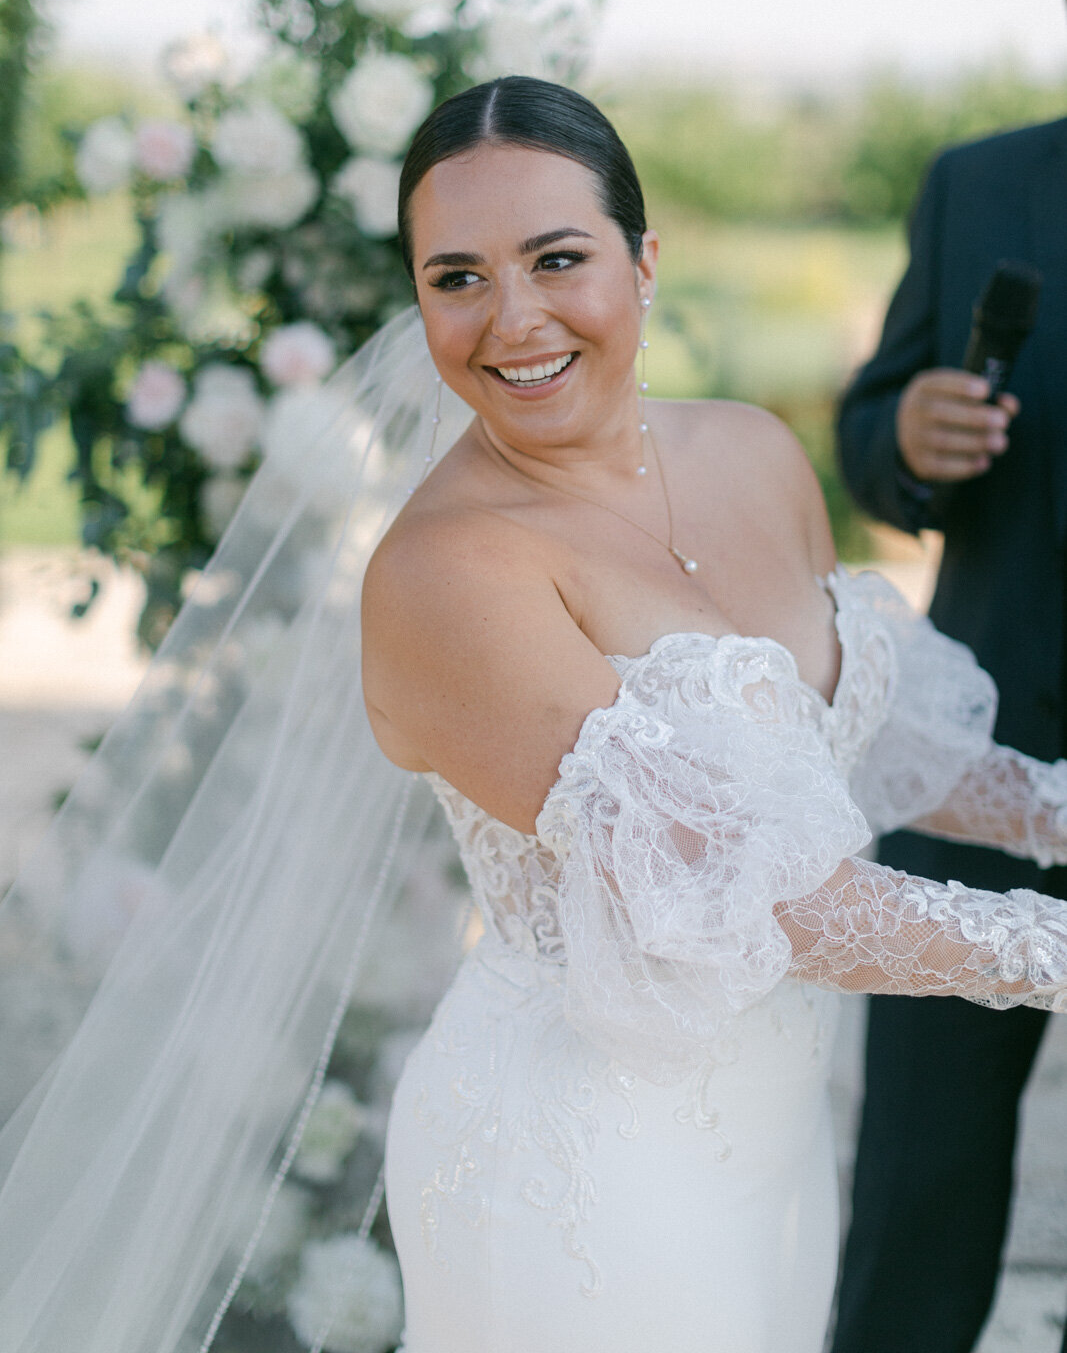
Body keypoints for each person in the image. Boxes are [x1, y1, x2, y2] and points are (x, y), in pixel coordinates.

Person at [3, 77, 1067, 1353]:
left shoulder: (749, 453)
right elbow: (746, 887)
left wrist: (1054, 811)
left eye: (557, 258)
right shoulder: (445, 576)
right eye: (456, 277)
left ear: (643, 260)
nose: (512, 319)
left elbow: (853, 729)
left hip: (769, 1145)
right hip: (583, 1167)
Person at [831, 105, 1067, 1353]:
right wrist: (904, 440)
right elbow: (867, 431)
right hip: (971, 761)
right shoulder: (970, 185)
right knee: (916, 1189)